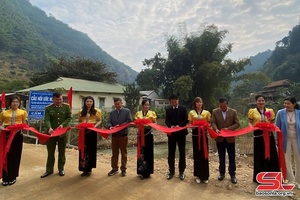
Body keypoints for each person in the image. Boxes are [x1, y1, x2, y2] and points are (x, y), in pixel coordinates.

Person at [248, 94, 279, 183]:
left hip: (268, 135)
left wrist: (271, 127)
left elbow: (272, 122)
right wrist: (252, 128)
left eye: (262, 100)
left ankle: (272, 176)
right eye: (259, 100)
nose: (261, 102)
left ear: (265, 101)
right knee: (259, 155)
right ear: (256, 101)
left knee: (271, 155)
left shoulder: (269, 111)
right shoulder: (252, 111)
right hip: (258, 135)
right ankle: (259, 177)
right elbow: (250, 122)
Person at [41, 92, 72, 178]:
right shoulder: (48, 108)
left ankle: (61, 168)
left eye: (60, 99)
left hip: (62, 133)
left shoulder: (66, 107)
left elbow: (69, 117)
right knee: (50, 152)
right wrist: (49, 128)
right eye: (57, 99)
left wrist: (63, 124)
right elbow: (46, 119)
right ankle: (49, 170)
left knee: (62, 152)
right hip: (51, 134)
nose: (59, 101)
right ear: (53, 99)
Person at [0, 95, 28, 186]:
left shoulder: (23, 112)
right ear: (10, 103)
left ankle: (13, 176)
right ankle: (5, 177)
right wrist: (4, 129)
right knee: (5, 156)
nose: (15, 103)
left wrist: (22, 128)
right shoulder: (4, 113)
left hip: (17, 136)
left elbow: (25, 124)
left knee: (15, 156)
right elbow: (0, 124)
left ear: (19, 103)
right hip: (7, 135)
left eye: (17, 102)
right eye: (13, 102)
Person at [211, 97, 240, 184]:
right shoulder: (215, 111)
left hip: (230, 138)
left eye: (224, 106)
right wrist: (215, 129)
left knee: (232, 157)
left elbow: (237, 123)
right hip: (220, 138)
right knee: (221, 156)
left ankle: (232, 174)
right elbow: (213, 122)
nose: (222, 108)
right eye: (220, 106)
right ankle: (221, 173)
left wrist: (229, 129)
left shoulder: (233, 112)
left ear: (227, 104)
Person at [275, 96, 300, 188]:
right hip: (285, 139)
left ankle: (299, 180)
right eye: (285, 103)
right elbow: (277, 127)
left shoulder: (299, 113)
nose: (286, 105)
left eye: (288, 103)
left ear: (294, 104)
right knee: (286, 159)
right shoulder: (280, 113)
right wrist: (277, 140)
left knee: (299, 159)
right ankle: (290, 179)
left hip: (298, 139)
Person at [165, 94, 188, 180]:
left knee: (182, 152)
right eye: (172, 102)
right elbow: (166, 121)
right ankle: (171, 171)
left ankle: (181, 171)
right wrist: (171, 126)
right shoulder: (168, 109)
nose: (173, 103)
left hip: (181, 133)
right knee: (171, 153)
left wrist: (179, 126)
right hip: (172, 134)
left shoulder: (183, 108)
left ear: (178, 100)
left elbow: (186, 120)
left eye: (175, 101)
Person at [188, 97, 211, 184]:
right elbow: (190, 124)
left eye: (200, 102)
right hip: (195, 135)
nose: (199, 104)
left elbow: (209, 123)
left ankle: (205, 176)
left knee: (204, 154)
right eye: (197, 102)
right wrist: (195, 125)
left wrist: (204, 125)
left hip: (203, 135)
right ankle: (198, 175)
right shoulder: (191, 113)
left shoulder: (207, 112)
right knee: (197, 154)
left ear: (202, 103)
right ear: (195, 104)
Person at [107, 98, 132, 177]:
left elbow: (129, 121)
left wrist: (121, 125)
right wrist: (110, 127)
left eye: (118, 104)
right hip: (114, 135)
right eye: (116, 104)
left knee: (123, 153)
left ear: (122, 103)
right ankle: (114, 168)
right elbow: (108, 122)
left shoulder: (127, 111)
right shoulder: (112, 113)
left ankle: (123, 169)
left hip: (123, 135)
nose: (117, 105)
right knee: (114, 153)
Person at [78, 96, 102, 176]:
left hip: (92, 131)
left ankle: (89, 168)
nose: (89, 103)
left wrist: (94, 127)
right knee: (83, 149)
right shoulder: (81, 111)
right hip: (83, 132)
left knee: (91, 149)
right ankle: (83, 168)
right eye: (87, 101)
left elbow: (100, 121)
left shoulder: (97, 111)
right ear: (85, 102)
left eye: (90, 101)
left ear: (93, 102)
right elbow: (80, 121)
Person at [135, 99, 157, 180]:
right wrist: (139, 123)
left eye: (148, 105)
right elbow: (135, 123)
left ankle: (148, 172)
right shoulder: (138, 113)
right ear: (142, 105)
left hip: (148, 134)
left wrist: (149, 124)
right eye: (145, 105)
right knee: (141, 152)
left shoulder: (152, 113)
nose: (147, 106)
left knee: (149, 152)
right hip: (141, 134)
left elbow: (155, 123)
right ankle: (141, 172)